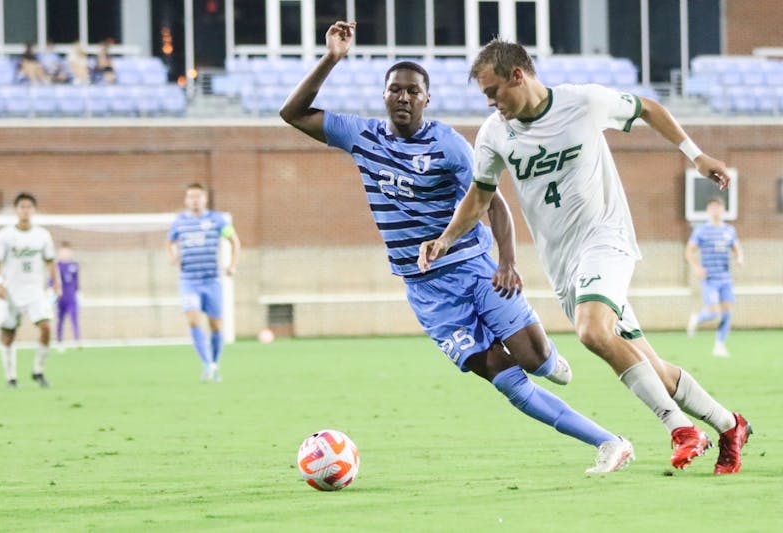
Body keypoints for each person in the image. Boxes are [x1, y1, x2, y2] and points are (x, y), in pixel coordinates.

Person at [280, 20, 635, 474]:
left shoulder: (448, 144)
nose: (403, 97)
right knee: (506, 381)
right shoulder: (361, 136)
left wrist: (507, 262)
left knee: (532, 359)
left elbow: (493, 204)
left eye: (413, 91)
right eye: (395, 90)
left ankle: (548, 360)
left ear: (426, 99)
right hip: (427, 293)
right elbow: (292, 113)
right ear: (384, 96)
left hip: (475, 269)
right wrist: (331, 58)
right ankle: (609, 443)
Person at [418, 38, 751, 474]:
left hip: (606, 239)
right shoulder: (494, 134)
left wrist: (697, 155)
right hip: (564, 264)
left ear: (517, 75)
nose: (490, 102)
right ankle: (730, 425)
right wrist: (445, 239)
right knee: (651, 366)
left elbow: (648, 108)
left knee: (593, 331)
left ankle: (681, 429)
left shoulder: (583, 102)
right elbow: (480, 197)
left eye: (493, 91)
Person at [166, 183, 240, 382]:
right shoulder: (180, 222)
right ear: (186, 200)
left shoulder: (218, 220)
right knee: (192, 319)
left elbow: (234, 240)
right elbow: (169, 241)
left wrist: (232, 265)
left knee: (216, 325)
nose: (194, 200)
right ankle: (207, 364)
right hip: (189, 280)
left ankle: (214, 363)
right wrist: (172, 255)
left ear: (205, 199)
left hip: (211, 280)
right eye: (191, 197)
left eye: (198, 196)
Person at [0, 193, 60, 388]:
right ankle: (11, 377)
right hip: (11, 291)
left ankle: (38, 371)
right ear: (16, 210)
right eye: (22, 207)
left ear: (34, 210)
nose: (25, 210)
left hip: (35, 290)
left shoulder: (42, 235)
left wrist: (57, 284)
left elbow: (50, 261)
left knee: (46, 327)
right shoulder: (4, 235)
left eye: (29, 207)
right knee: (8, 333)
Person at [685, 196, 743, 356]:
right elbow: (689, 251)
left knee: (727, 313)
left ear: (723, 210)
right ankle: (697, 318)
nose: (715, 211)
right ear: (708, 210)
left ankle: (719, 345)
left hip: (725, 279)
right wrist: (697, 268)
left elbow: (737, 248)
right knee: (713, 312)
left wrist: (739, 257)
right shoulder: (701, 230)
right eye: (712, 208)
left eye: (718, 207)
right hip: (710, 279)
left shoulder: (729, 230)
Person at [54, 241, 81, 351]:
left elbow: (76, 281)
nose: (65, 253)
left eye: (67, 251)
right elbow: (52, 281)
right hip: (60, 299)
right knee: (60, 320)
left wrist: (78, 292)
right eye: (63, 251)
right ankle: (59, 342)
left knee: (74, 319)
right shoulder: (56, 266)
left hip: (71, 298)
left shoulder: (74, 265)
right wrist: (51, 294)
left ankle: (77, 340)